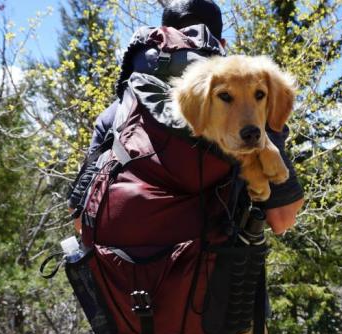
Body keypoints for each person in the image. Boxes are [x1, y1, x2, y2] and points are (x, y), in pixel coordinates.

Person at [68, 0, 303, 236]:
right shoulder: (253, 108)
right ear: (221, 45)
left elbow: (79, 218)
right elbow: (282, 219)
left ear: (164, 37)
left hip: (121, 264)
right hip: (211, 265)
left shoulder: (119, 110)